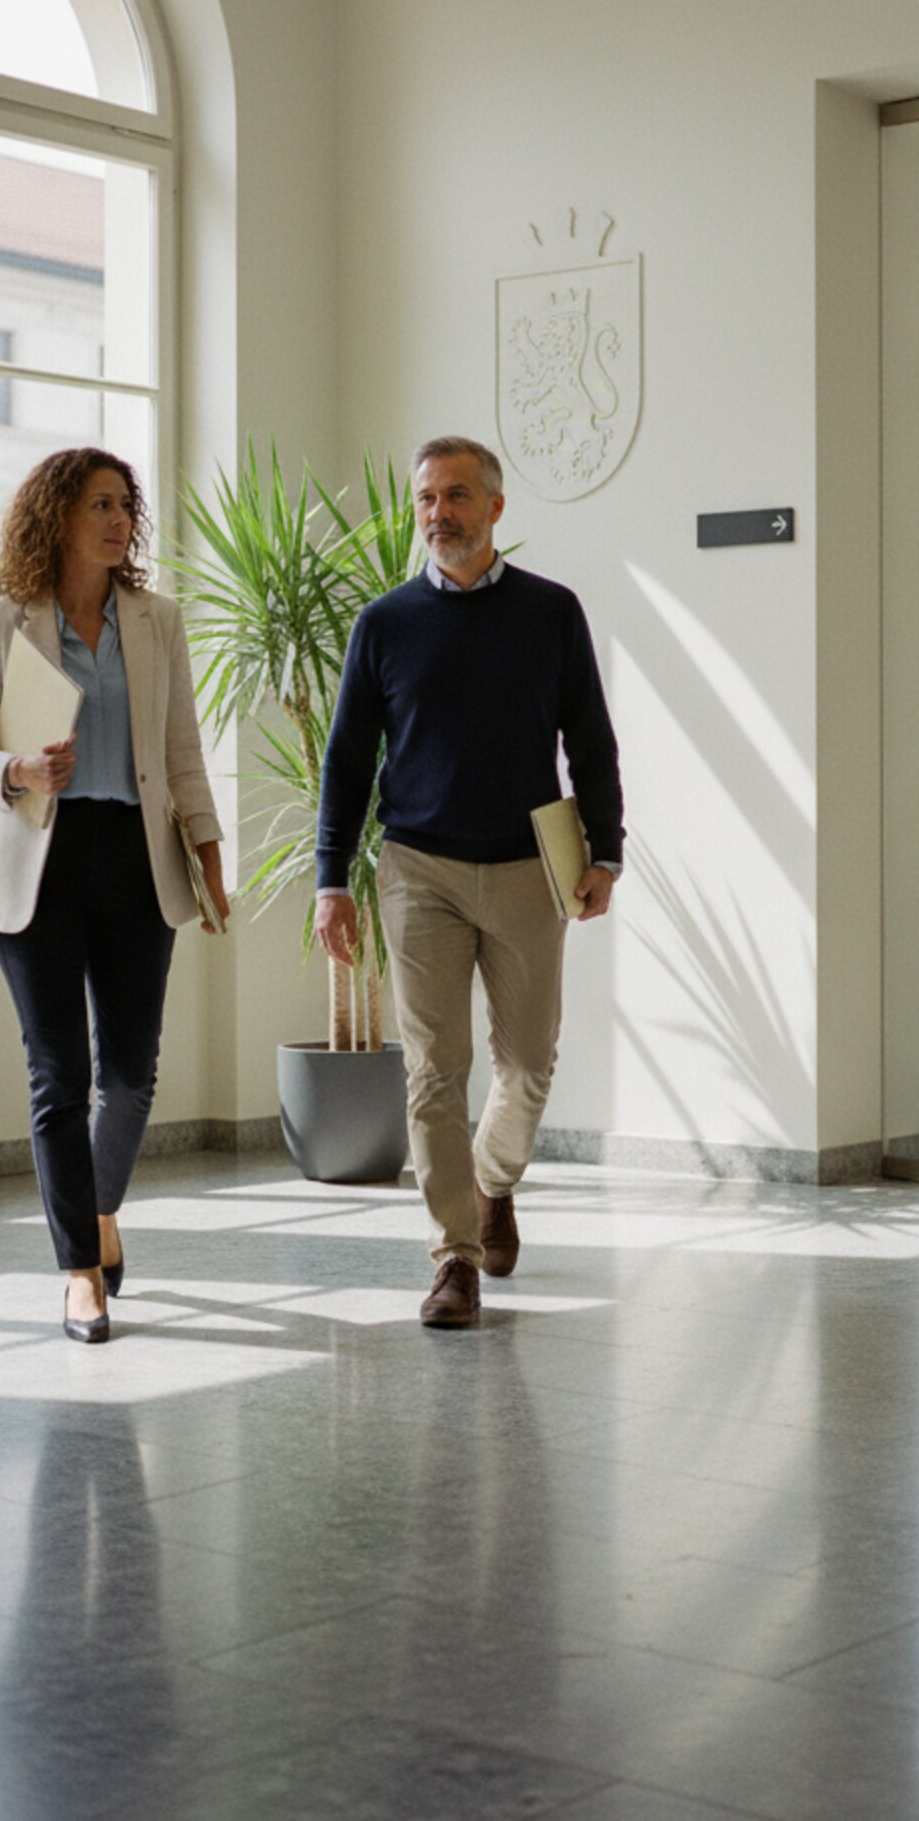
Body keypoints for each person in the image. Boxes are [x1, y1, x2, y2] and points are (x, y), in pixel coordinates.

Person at [314, 434, 623, 1328]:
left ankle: (493, 1184)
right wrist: (331, 877)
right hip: (418, 871)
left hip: (530, 866)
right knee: (433, 1072)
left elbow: (590, 741)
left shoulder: (551, 613)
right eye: (425, 500)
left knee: (528, 1064)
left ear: (494, 507)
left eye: (456, 496)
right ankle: (454, 1259)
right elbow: (345, 762)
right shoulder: (384, 624)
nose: (438, 513)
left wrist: (605, 852)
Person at [0, 447, 228, 1344]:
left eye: (125, 506)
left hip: (137, 858)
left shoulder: (158, 620)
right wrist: (17, 769)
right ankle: (79, 1273)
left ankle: (100, 1211)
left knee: (134, 1073)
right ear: (56, 516)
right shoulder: (3, 621)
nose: (118, 520)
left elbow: (182, 749)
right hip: (39, 860)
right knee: (59, 1076)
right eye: (100, 504)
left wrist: (212, 853)